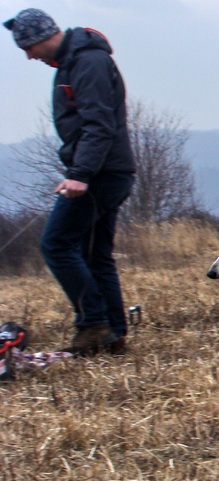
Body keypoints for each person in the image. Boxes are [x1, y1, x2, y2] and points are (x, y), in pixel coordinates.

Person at [4, 8, 135, 355]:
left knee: (56, 244)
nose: (30, 56)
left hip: (100, 174)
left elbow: (99, 124)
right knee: (95, 254)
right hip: (108, 171)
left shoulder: (86, 62)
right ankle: (113, 333)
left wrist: (80, 175)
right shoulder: (74, 62)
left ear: (41, 37)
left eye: (28, 48)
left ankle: (92, 323)